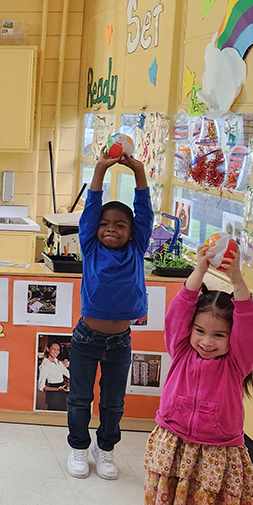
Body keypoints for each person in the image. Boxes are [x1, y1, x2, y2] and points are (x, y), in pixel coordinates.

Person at [144, 246, 253, 505]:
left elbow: (248, 326)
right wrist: (199, 270)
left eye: (219, 335)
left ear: (231, 337)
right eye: (200, 331)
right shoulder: (181, 349)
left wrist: (237, 281)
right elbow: (178, 312)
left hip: (216, 449)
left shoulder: (237, 362)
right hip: (176, 441)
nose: (207, 342)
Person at [66, 152, 152, 480]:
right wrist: (100, 169)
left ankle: (106, 450)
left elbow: (143, 211)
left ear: (133, 233)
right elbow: (91, 211)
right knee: (79, 399)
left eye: (120, 225)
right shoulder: (90, 247)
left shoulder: (136, 248)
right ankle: (78, 447)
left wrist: (139, 171)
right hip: (86, 338)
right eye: (105, 224)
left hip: (120, 342)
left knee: (114, 403)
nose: (111, 230)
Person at [38, 342, 70, 412]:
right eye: (54, 349)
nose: (56, 352)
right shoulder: (45, 365)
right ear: (48, 349)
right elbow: (41, 386)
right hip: (53, 394)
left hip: (61, 392)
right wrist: (57, 389)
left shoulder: (58, 362)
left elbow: (68, 374)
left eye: (58, 350)